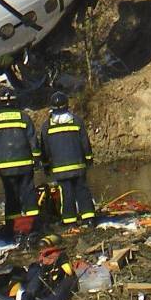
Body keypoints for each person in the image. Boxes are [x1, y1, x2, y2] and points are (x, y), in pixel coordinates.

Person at [0, 92, 41, 237]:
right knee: (29, 194)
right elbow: (33, 140)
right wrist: (36, 159)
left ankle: (12, 229)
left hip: (5, 167)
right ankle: (33, 226)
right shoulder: (24, 117)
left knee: (11, 196)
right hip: (25, 164)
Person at [39, 92, 96, 226]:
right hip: (78, 166)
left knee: (66, 193)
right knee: (82, 191)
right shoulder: (77, 121)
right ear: (67, 105)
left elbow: (44, 148)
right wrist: (88, 159)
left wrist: (46, 165)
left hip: (60, 169)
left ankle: (69, 221)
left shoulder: (47, 126)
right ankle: (89, 219)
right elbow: (85, 143)